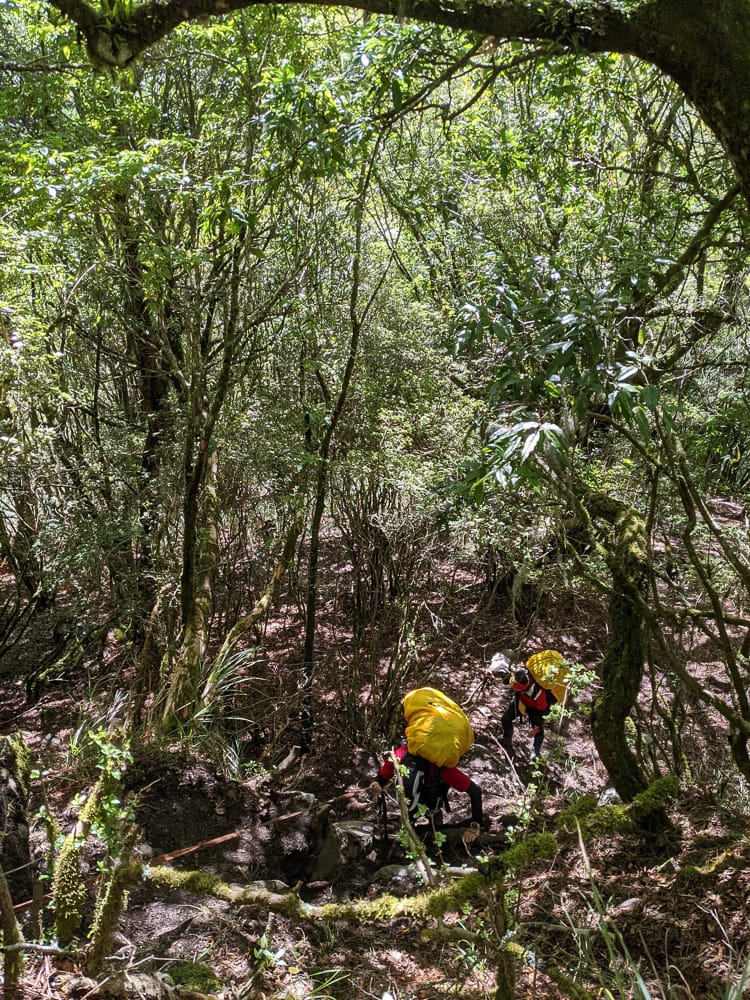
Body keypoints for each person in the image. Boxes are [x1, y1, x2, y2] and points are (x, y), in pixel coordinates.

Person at [368, 740, 483, 836]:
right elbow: (475, 791)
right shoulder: (402, 756)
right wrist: (476, 824)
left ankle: (423, 825)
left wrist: (475, 826)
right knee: (429, 816)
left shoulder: (402, 755)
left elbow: (382, 777)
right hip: (427, 802)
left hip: (423, 802)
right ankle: (431, 824)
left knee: (423, 815)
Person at [495, 664, 556, 761]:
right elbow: (509, 680)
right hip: (521, 702)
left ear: (523, 688)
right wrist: (499, 679)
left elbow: (543, 709)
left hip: (536, 709)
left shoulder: (539, 694)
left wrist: (537, 725)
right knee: (506, 718)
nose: (513, 689)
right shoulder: (519, 676)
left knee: (538, 730)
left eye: (516, 689)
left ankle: (536, 751)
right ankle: (507, 739)